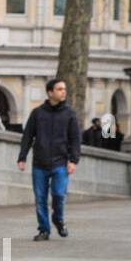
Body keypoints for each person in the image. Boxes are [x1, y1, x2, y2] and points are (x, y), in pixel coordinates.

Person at [18, 77, 81, 240]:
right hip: (39, 163)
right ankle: (44, 230)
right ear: (50, 92)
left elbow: (75, 139)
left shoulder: (70, 114)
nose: (63, 92)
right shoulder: (37, 113)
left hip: (60, 162)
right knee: (40, 198)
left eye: (64, 89)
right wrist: (22, 157)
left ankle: (58, 219)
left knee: (59, 195)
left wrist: (73, 160)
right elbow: (27, 136)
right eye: (59, 89)